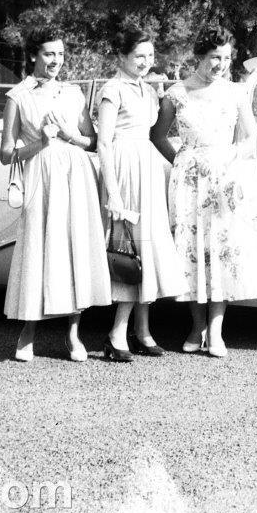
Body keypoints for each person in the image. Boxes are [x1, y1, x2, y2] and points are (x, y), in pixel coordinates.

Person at [150, 26, 257, 358]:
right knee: (192, 251)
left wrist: (229, 157)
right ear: (200, 56)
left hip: (223, 179)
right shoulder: (176, 93)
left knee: (221, 251)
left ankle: (215, 331)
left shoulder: (236, 92)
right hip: (188, 182)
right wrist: (181, 161)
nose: (221, 64)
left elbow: (252, 139)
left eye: (226, 58)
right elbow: (158, 135)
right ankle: (196, 326)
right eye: (215, 57)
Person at [0, 29, 111, 362]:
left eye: (60, 54)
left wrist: (68, 135)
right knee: (39, 247)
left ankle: (73, 334)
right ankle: (28, 332)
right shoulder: (18, 96)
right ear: (34, 55)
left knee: (74, 248)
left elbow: (92, 141)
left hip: (76, 175)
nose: (56, 61)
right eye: (49, 54)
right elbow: (6, 154)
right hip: (41, 177)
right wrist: (41, 143)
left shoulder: (73, 93)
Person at [95, 29, 187, 362]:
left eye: (150, 56)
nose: (145, 62)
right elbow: (104, 142)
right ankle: (117, 333)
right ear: (122, 56)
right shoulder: (112, 89)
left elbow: (155, 132)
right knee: (129, 248)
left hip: (147, 169)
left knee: (148, 246)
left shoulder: (148, 90)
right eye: (139, 56)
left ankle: (142, 329)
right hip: (124, 169)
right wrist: (114, 193)